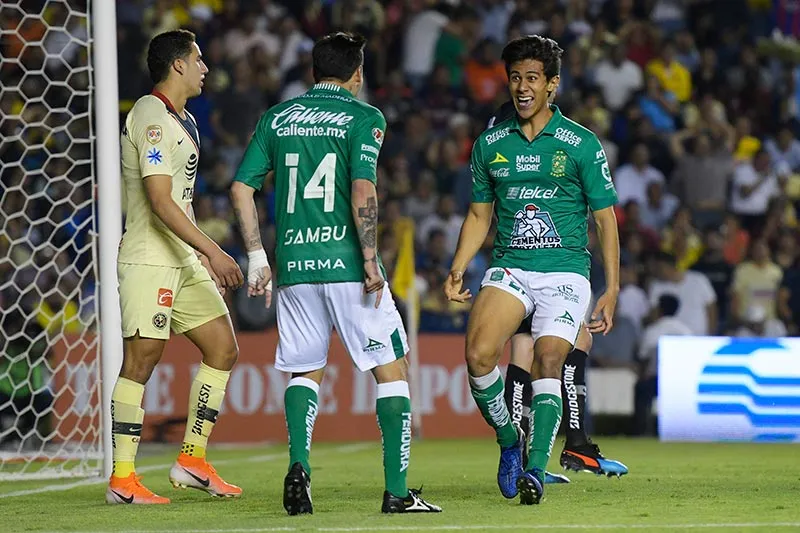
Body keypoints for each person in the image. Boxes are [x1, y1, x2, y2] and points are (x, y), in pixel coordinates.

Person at [230, 32, 441, 515]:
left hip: (296, 268)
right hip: (348, 263)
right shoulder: (365, 117)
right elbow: (362, 186)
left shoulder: (277, 118)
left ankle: (300, 467)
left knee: (305, 370)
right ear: (357, 74)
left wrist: (258, 257)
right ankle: (396, 493)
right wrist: (369, 258)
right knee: (392, 371)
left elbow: (242, 188)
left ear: (313, 71)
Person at [444, 35, 621, 505]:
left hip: (565, 272)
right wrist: (459, 265)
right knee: (479, 356)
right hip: (510, 267)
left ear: (552, 85)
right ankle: (508, 440)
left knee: (548, 360)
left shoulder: (580, 144)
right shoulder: (490, 144)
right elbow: (480, 214)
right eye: (516, 78)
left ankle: (536, 468)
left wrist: (612, 288)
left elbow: (604, 219)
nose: (522, 88)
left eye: (533, 79)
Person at [108, 30, 245, 505]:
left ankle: (191, 459)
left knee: (223, 349)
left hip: (180, 258)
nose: (206, 67)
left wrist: (198, 253)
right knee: (141, 361)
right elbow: (161, 202)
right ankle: (122, 479)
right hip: (149, 256)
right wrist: (213, 250)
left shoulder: (183, 119)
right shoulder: (150, 113)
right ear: (178, 65)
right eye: (199, 59)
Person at [488, 101, 628, 483]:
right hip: (531, 264)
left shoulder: (515, 135)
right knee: (531, 348)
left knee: (568, 342)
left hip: (531, 263)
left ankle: (553, 445)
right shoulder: (509, 134)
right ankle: (560, 446)